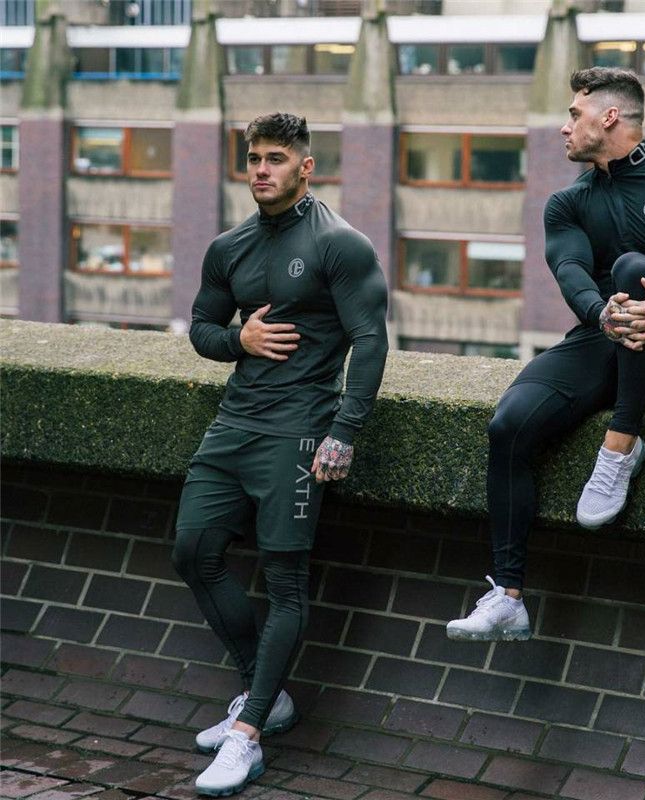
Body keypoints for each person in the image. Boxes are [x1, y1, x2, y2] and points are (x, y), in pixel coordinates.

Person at [447, 67, 645, 641]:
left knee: (633, 269)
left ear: (609, 116)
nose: (564, 127)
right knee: (509, 425)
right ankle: (507, 598)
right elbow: (571, 271)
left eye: (573, 114)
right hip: (604, 336)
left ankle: (620, 445)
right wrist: (600, 313)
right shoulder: (568, 203)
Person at [171, 112, 389, 795]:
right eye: (254, 159)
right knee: (193, 552)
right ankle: (265, 696)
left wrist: (344, 431)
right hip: (234, 423)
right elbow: (201, 328)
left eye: (276, 158)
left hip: (301, 429)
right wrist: (239, 341)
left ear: (305, 167)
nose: (262, 170)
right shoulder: (229, 247)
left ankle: (248, 735)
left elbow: (371, 340)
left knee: (285, 582)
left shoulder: (339, 244)